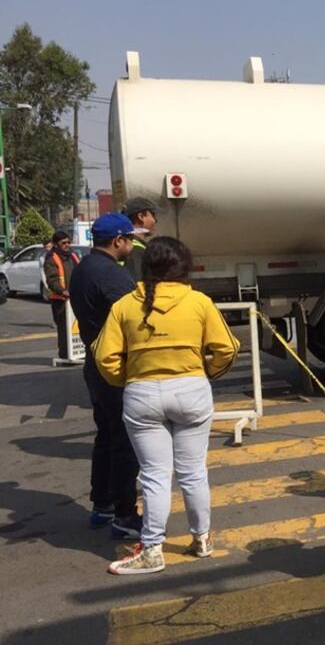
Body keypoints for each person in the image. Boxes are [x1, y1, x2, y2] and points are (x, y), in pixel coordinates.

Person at [94, 237, 239, 575]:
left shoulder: (126, 306)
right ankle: (201, 539)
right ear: (184, 266)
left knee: (156, 475)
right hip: (191, 391)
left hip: (142, 394)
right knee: (193, 472)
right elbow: (227, 348)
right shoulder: (198, 302)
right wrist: (206, 373)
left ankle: (153, 548)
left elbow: (105, 357)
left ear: (146, 268)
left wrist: (127, 379)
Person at [68, 213, 141, 539]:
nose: (132, 244)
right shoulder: (112, 276)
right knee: (125, 441)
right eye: (130, 239)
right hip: (115, 367)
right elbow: (137, 319)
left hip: (94, 364)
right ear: (118, 241)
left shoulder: (83, 268)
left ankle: (102, 504)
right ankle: (125, 514)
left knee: (107, 436)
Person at [42, 231, 81, 359]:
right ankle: (65, 355)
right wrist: (63, 290)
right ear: (55, 244)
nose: (67, 245)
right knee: (64, 329)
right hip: (60, 300)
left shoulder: (72, 255)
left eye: (68, 242)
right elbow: (51, 280)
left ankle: (77, 353)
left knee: (77, 327)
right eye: (63, 243)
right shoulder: (51, 258)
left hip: (75, 298)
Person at [122, 197, 158, 281]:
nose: (155, 220)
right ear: (141, 216)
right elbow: (137, 286)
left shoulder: (126, 245)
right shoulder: (135, 250)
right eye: (152, 215)